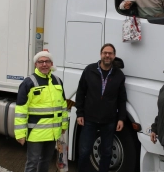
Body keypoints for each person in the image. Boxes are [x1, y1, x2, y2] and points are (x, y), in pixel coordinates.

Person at [75, 43, 127, 172]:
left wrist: (121, 118)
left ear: (114, 56)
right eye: (105, 53)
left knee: (107, 152)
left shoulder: (119, 75)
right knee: (84, 151)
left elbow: (122, 99)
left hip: (109, 120)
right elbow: (81, 92)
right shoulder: (89, 70)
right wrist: (80, 113)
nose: (107, 55)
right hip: (89, 119)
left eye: (110, 53)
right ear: (101, 54)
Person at [14, 51, 68, 172]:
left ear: (51, 63)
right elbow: (21, 110)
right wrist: (20, 133)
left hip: (52, 132)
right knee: (32, 162)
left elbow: (63, 107)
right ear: (36, 64)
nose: (44, 64)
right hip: (36, 133)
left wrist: (64, 125)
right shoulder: (28, 82)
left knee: (46, 161)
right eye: (41, 62)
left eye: (47, 61)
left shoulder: (58, 81)